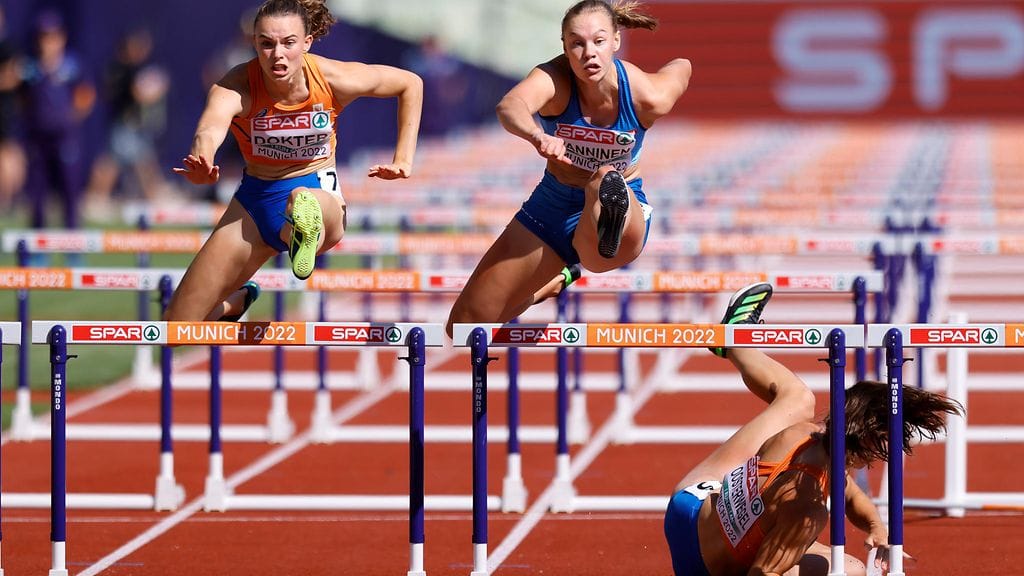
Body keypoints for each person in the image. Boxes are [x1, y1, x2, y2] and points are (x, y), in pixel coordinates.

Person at [665, 282, 963, 576]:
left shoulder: (803, 436)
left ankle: (735, 341)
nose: (883, 453)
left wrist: (876, 527)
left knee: (798, 399)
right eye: (884, 442)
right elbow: (762, 573)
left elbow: (849, 494)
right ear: (866, 438)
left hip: (687, 505)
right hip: (705, 567)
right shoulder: (807, 509)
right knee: (851, 571)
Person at [166, 0, 422, 322]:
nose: (278, 55)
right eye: (267, 44)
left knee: (302, 200)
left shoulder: (332, 77)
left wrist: (403, 159)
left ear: (307, 42)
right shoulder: (236, 85)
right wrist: (202, 158)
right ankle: (239, 300)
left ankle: (303, 227)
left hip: (317, 191)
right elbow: (209, 128)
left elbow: (409, 83)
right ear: (254, 43)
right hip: (254, 204)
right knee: (176, 325)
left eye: (288, 43)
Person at [445, 0, 691, 336]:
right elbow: (510, 105)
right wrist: (536, 135)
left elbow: (682, 66)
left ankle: (607, 213)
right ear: (564, 47)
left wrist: (677, 66)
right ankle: (551, 284)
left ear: (616, 41)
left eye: (599, 41)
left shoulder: (647, 96)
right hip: (553, 204)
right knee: (463, 327)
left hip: (618, 216)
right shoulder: (554, 79)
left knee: (603, 179)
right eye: (577, 44)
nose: (589, 53)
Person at [21, 8, 95, 231]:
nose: (48, 43)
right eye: (44, 37)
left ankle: (72, 240)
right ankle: (37, 239)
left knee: (70, 190)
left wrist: (70, 116)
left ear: (61, 37)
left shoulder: (72, 65)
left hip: (65, 137)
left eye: (52, 36)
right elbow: (21, 98)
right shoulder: (30, 67)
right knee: (37, 191)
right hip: (38, 138)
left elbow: (86, 95)